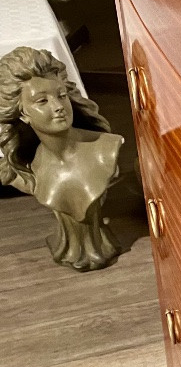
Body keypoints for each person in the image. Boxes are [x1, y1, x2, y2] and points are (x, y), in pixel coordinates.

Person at [0, 46, 123, 271]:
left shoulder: (107, 148)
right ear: (23, 114)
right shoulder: (29, 170)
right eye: (42, 101)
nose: (58, 107)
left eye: (61, 95)